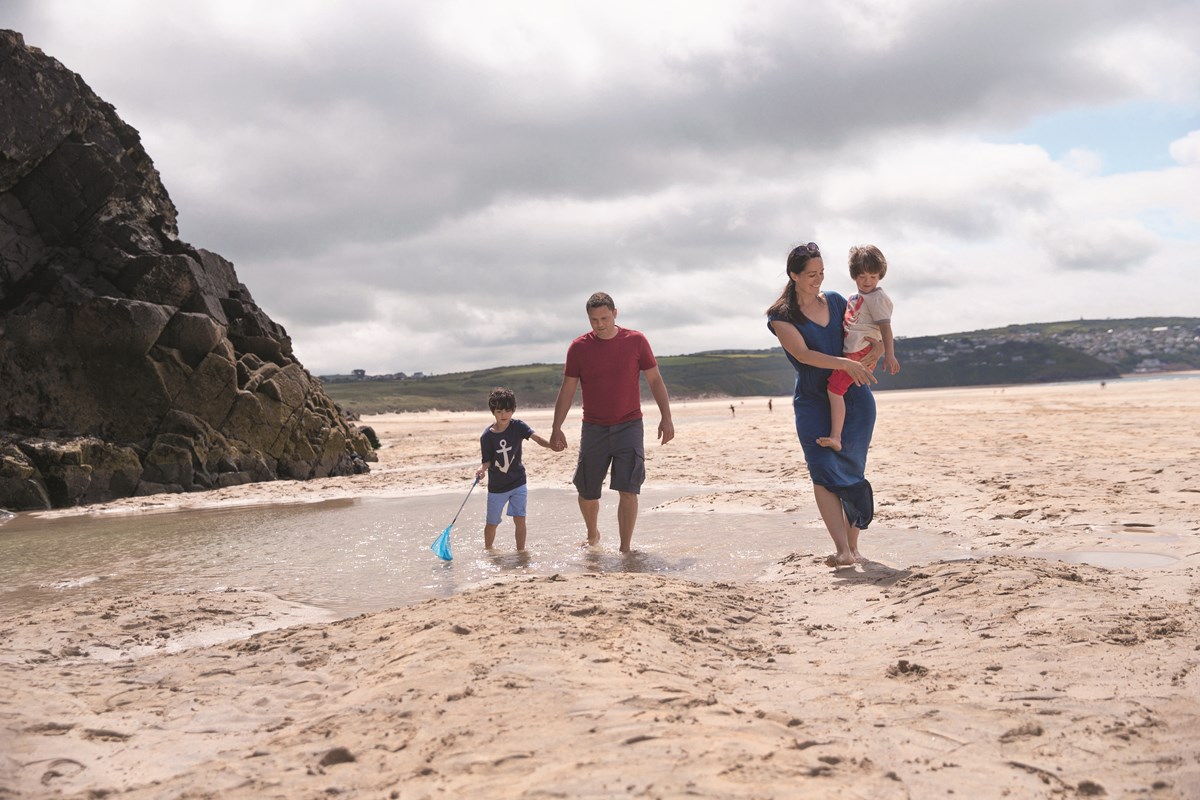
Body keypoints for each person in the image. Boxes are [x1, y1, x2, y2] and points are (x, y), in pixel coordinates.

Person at [766, 242, 880, 568]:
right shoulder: (781, 316)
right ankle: (842, 549)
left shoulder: (835, 301)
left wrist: (876, 350)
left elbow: (863, 332)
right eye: (811, 275)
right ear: (794, 275)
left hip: (854, 397)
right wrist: (844, 364)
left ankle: (853, 548)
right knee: (822, 470)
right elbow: (803, 354)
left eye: (822, 273)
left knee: (852, 471)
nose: (818, 280)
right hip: (814, 401)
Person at [550, 292, 674, 553]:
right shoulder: (578, 348)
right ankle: (592, 533)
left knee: (628, 488)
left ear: (615, 313)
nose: (599, 324)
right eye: (594, 319)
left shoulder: (636, 341)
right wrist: (556, 427)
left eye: (604, 318)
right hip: (593, 427)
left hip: (629, 424)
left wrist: (667, 417)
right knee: (586, 490)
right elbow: (568, 389)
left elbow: (655, 380)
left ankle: (625, 549)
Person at [818, 245, 900, 452]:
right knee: (843, 389)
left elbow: (886, 328)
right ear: (854, 275)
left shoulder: (877, 298)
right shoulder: (855, 296)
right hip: (852, 349)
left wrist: (888, 354)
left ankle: (836, 436)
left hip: (861, 351)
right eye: (862, 276)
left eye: (873, 276)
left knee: (834, 389)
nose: (867, 281)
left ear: (880, 275)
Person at [476, 387, 552, 551]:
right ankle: (489, 551)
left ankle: (521, 552)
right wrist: (482, 470)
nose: (504, 415)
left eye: (508, 411)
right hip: (497, 488)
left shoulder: (518, 426)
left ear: (513, 410)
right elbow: (487, 461)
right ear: (493, 412)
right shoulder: (487, 437)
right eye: (499, 411)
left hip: (518, 482)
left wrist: (551, 445)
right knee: (492, 523)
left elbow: (536, 437)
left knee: (520, 519)